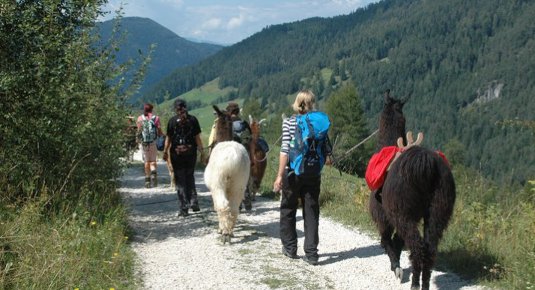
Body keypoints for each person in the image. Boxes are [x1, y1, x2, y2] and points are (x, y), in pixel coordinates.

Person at [272, 90, 323, 266]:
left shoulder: (289, 123)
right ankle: (312, 253)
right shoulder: (318, 124)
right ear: (311, 104)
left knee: (288, 208)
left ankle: (290, 248)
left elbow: (285, 150)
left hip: (292, 173)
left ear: (296, 103)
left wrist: (279, 175)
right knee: (311, 210)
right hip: (313, 173)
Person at [163, 99, 204, 217]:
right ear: (186, 107)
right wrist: (202, 151)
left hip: (176, 154)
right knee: (190, 176)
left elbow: (168, 139)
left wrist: (165, 152)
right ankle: (194, 201)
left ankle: (184, 207)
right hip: (191, 152)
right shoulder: (193, 120)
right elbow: (197, 138)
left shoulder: (171, 121)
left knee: (180, 179)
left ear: (175, 109)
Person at [225, 102, 254, 211]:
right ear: (237, 112)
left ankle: (237, 204)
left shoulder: (227, 124)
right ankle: (247, 199)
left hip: (231, 155)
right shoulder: (244, 124)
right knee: (244, 177)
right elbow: (251, 141)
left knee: (232, 179)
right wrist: (252, 156)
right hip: (244, 154)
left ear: (229, 112)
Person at [137, 103, 163, 188]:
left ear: (144, 109)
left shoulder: (140, 118)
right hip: (153, 142)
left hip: (144, 144)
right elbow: (159, 131)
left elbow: (139, 132)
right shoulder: (156, 118)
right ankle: (153, 172)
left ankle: (147, 180)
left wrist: (138, 141)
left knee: (146, 161)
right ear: (151, 109)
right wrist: (163, 136)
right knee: (153, 160)